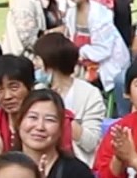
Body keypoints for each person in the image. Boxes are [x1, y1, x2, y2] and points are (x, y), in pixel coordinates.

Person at [27, 33, 105, 161]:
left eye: (38, 59)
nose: (35, 64)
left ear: (50, 62)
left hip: (76, 162)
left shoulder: (89, 94)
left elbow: (90, 143)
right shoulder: (38, 91)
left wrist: (62, 115)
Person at [59, 0, 130, 95]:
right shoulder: (71, 12)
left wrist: (81, 52)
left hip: (105, 61)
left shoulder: (99, 14)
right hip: (80, 59)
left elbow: (105, 49)